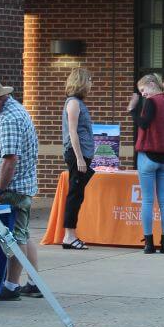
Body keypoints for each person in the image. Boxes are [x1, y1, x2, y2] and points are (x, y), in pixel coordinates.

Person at [0, 77, 42, 298]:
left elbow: (10, 158)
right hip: (17, 187)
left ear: (0, 97)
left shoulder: (9, 119)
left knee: (13, 236)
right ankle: (33, 281)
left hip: (10, 190)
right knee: (21, 233)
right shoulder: (5, 113)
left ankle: (11, 285)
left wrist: (0, 189)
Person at [129, 74, 164, 254]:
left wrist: (133, 109)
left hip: (149, 156)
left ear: (151, 84)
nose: (142, 94)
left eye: (143, 90)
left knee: (148, 201)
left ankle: (148, 243)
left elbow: (143, 124)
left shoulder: (152, 102)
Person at [62, 67, 95, 250]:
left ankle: (70, 235)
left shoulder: (79, 103)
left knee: (78, 194)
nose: (91, 83)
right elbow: (72, 132)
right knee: (75, 194)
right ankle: (69, 236)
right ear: (81, 81)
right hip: (77, 155)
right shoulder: (73, 103)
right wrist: (80, 158)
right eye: (89, 79)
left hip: (83, 154)